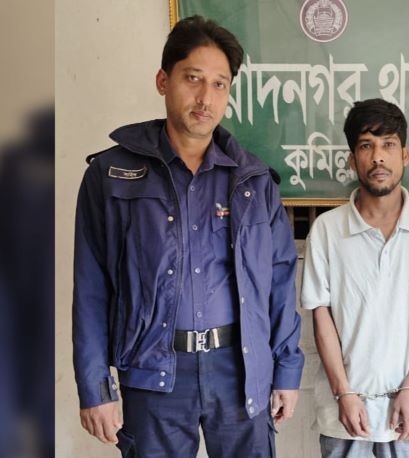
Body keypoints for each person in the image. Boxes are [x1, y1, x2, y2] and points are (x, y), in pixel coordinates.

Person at [72, 15, 303, 457]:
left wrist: (287, 371)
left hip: (239, 369)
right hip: (153, 370)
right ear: (164, 80)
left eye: (219, 84)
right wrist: (94, 385)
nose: (205, 97)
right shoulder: (112, 175)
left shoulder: (254, 181)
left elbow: (278, 282)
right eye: (193, 78)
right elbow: (91, 287)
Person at [301, 98, 409, 457]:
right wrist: (343, 393)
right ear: (352, 159)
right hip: (345, 412)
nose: (378, 157)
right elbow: (321, 315)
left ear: (404, 155)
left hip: (406, 410)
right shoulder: (327, 230)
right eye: (366, 146)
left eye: (388, 144)